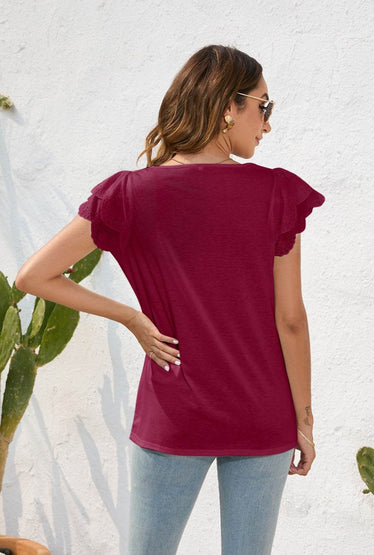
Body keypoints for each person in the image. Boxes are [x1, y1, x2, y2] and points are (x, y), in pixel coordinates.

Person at [15, 44, 325, 554]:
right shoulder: (277, 194)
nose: (268, 124)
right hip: (262, 412)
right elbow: (290, 319)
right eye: (263, 106)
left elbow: (33, 276)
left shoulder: (128, 194)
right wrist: (305, 422)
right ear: (228, 107)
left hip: (175, 410)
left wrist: (132, 318)